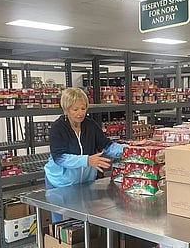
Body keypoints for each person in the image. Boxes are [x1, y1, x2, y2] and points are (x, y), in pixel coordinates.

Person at [44, 87, 139, 222]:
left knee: (82, 220)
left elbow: (106, 146)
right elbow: (60, 158)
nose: (80, 113)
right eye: (75, 109)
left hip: (84, 181)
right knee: (62, 224)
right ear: (66, 109)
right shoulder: (58, 128)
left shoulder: (90, 125)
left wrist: (130, 149)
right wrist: (87, 160)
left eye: (83, 108)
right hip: (60, 182)